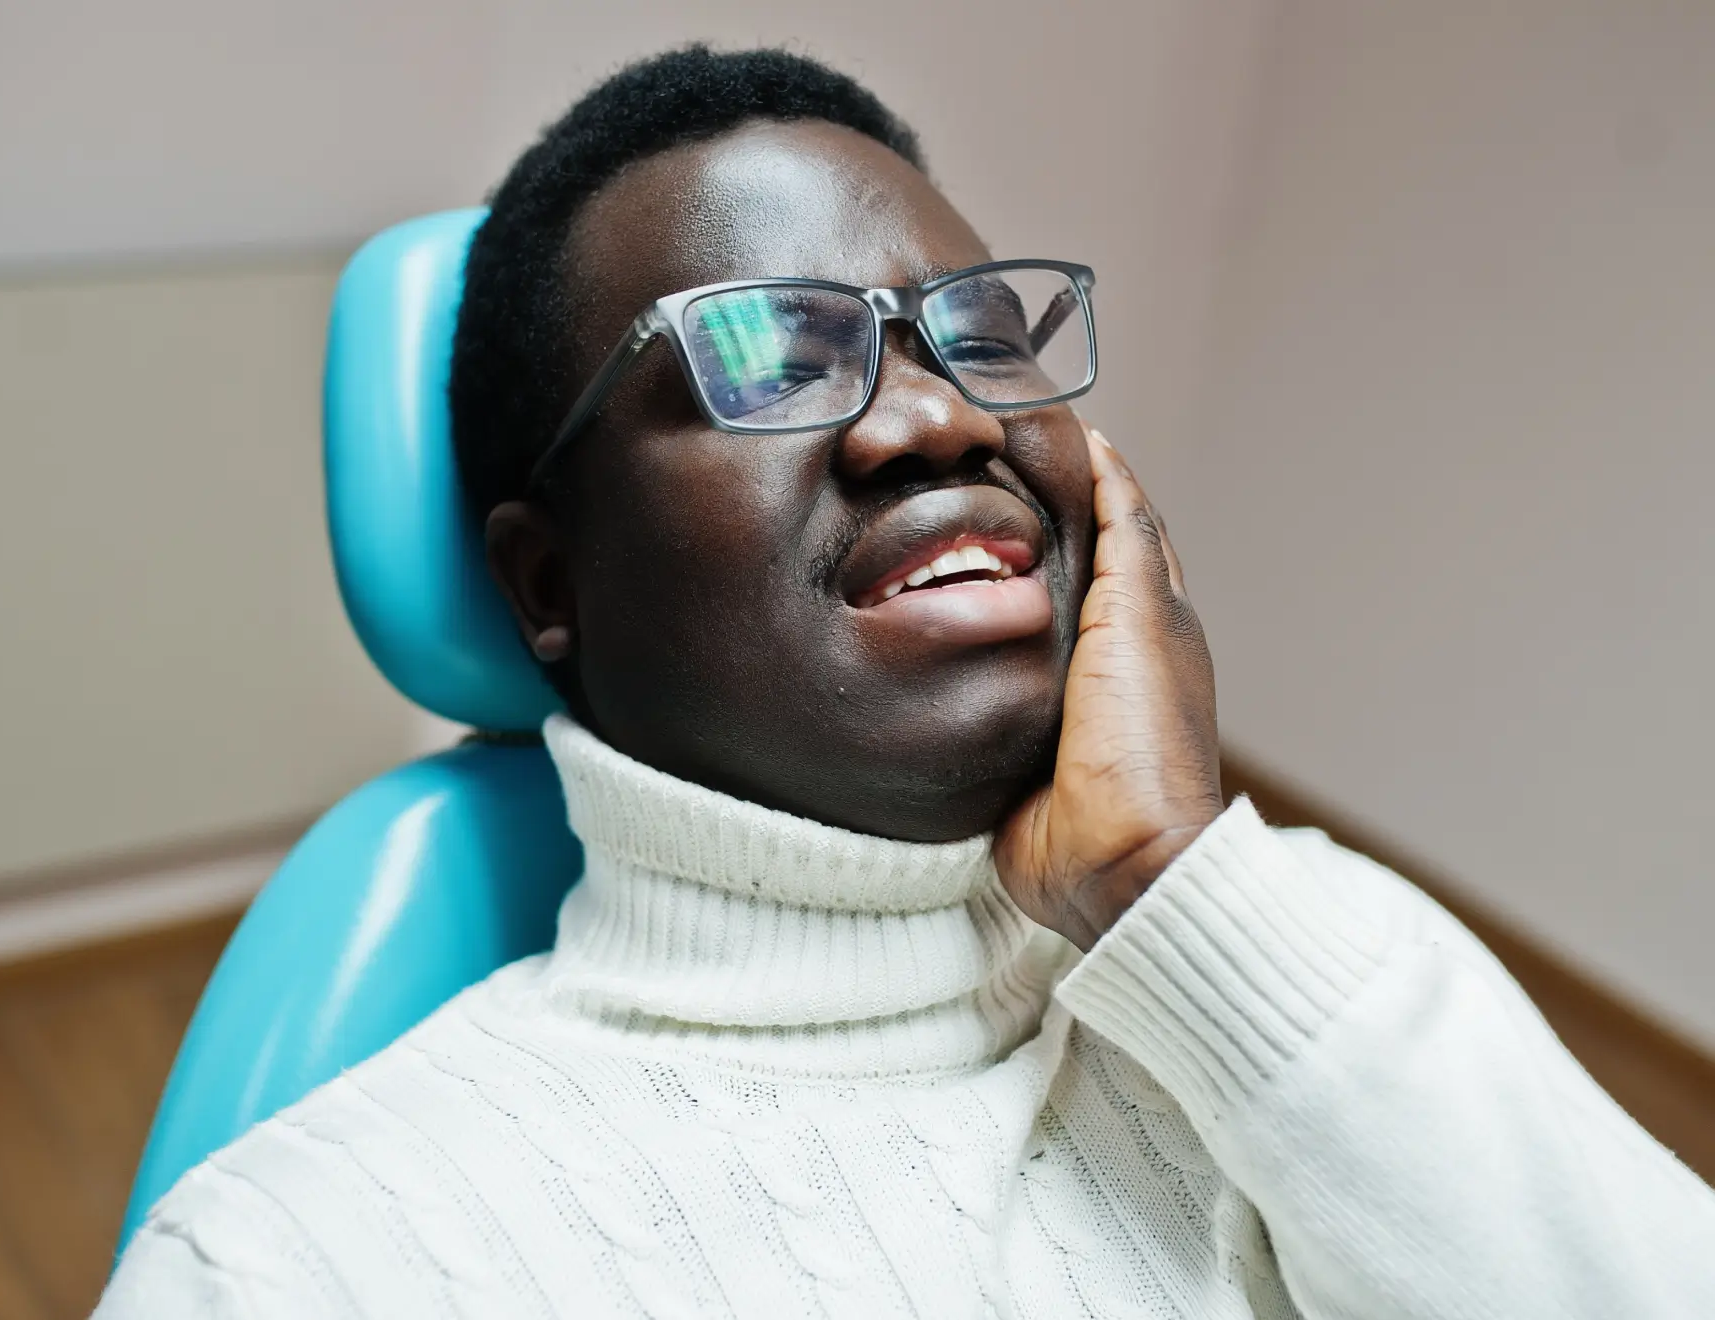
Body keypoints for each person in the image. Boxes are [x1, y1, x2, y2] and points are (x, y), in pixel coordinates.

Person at [98, 45, 1715, 1319]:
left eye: (973, 334)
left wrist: (1180, 893)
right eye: (772, 353)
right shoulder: (302, 1266)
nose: (936, 417)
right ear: (549, 583)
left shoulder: (1304, 975)